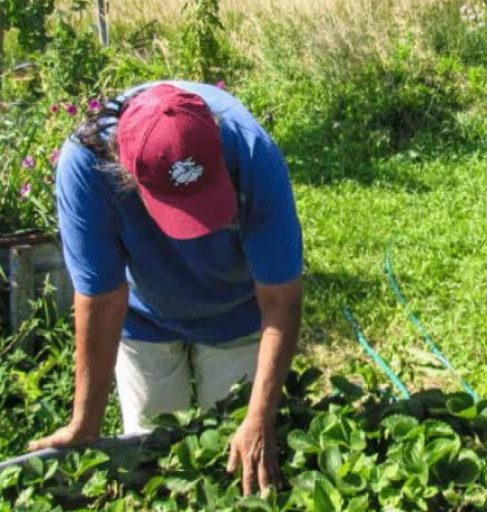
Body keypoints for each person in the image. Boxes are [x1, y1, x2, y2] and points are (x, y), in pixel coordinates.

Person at [29, 82, 304, 497]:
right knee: (151, 460)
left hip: (238, 312)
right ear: (125, 171)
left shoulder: (251, 153)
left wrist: (259, 418)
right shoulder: (85, 166)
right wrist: (85, 424)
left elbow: (280, 300)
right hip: (144, 318)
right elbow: (102, 299)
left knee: (239, 461)